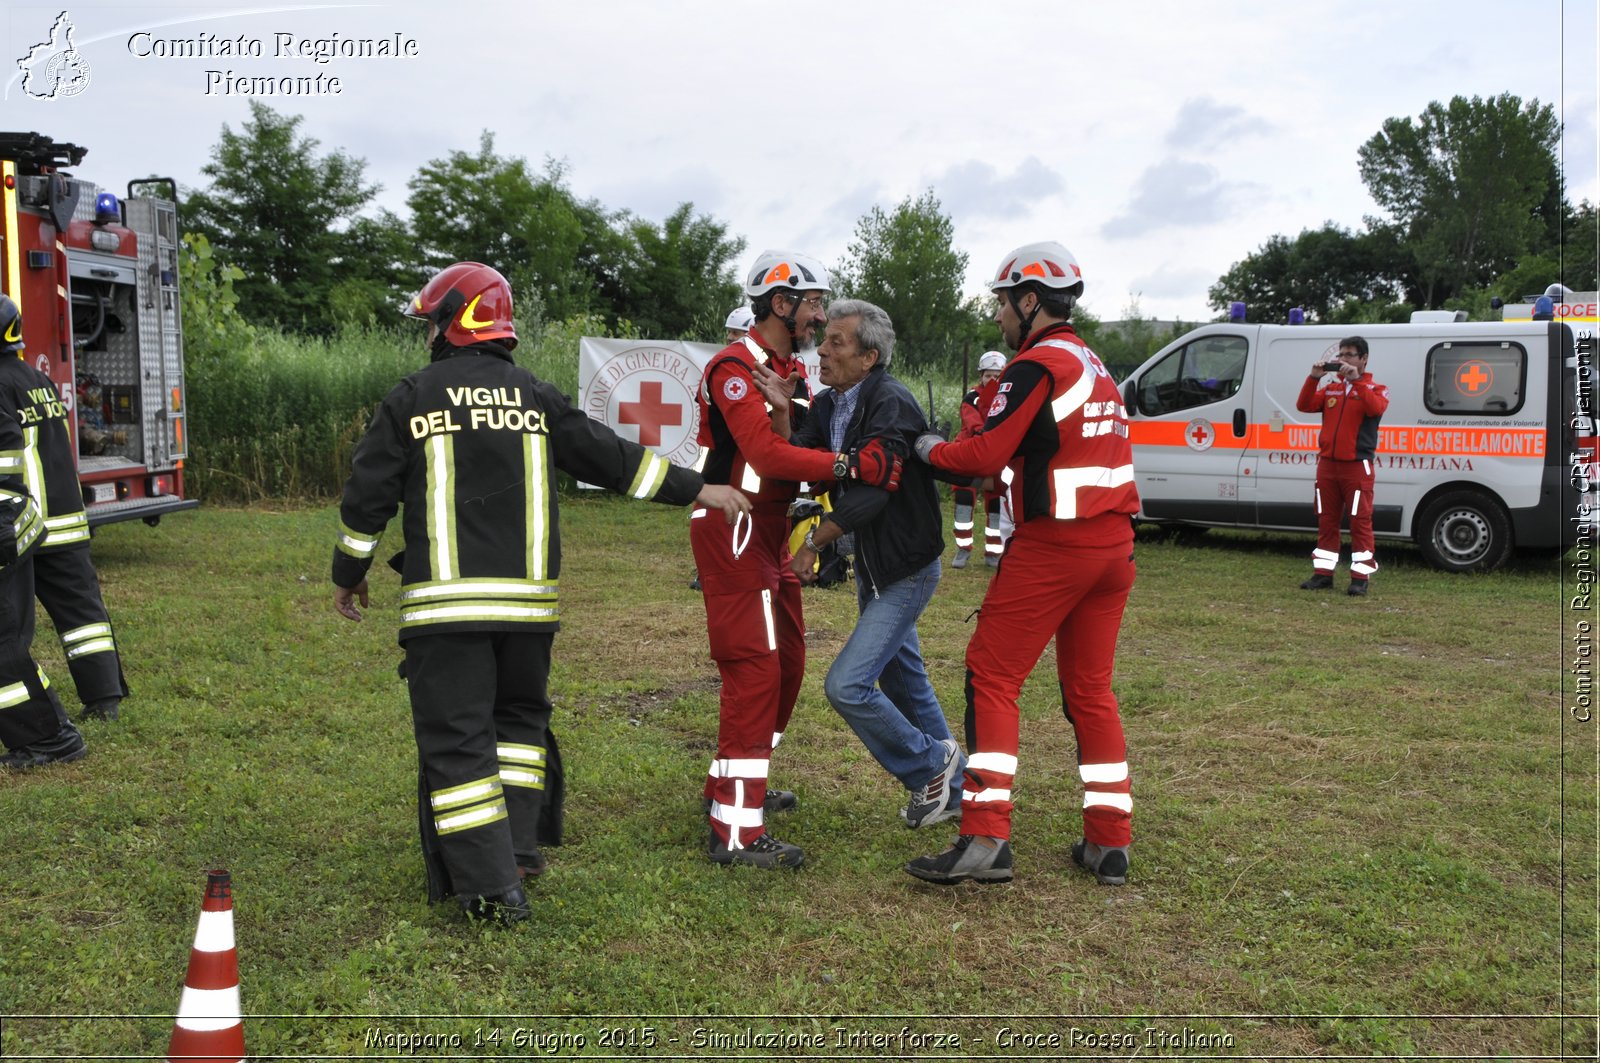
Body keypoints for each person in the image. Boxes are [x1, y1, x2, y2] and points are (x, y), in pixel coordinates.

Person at [331, 262, 750, 923]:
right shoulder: (534, 395)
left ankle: (492, 887)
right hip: (529, 612)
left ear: (453, 323)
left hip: (447, 610)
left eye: (433, 321)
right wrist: (699, 487)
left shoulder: (412, 396)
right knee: (518, 729)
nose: (429, 334)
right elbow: (616, 459)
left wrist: (347, 571)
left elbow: (367, 496)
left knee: (460, 738)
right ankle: (518, 849)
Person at [908, 240, 1139, 886]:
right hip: (1114, 546)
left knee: (992, 672)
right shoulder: (1093, 363)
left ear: (1030, 301)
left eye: (1004, 304)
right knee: (1091, 691)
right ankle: (1108, 841)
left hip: (1056, 546)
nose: (1000, 317)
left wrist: (926, 448)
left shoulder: (1035, 366)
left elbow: (982, 455)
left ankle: (984, 834)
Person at [691, 250, 890, 869]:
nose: (819, 315)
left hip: (771, 530)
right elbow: (769, 455)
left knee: (790, 662)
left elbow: (797, 436)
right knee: (754, 669)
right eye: (811, 303)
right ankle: (736, 829)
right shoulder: (733, 366)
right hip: (734, 528)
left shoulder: (785, 370)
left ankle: (733, 787)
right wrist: (851, 466)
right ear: (780, 304)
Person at [753, 299, 961, 832]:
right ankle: (959, 788)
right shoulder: (831, 401)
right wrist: (780, 410)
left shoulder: (890, 401)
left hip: (906, 568)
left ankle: (929, 766)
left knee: (846, 686)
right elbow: (799, 458)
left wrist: (813, 544)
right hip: (875, 567)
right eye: (825, 340)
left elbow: (872, 493)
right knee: (906, 681)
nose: (821, 349)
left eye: (837, 342)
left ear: (869, 357)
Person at [0, 296, 128, 722]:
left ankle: (35, 721)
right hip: (66, 517)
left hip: (24, 522)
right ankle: (104, 697)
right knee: (82, 614)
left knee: (11, 627)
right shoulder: (38, 379)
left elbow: (7, 463)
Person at [0, 315, 82, 769]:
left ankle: (51, 737)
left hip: (5, 532)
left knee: (4, 647)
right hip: (17, 528)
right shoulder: (28, 379)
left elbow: (7, 465)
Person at [1295, 336, 1389, 596]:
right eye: (1341, 355)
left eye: (1350, 355)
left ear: (1363, 359)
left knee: (1360, 522)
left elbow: (1376, 408)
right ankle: (1323, 574)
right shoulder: (1331, 389)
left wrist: (1357, 381)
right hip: (1327, 466)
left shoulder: (1376, 388)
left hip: (1357, 467)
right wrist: (1314, 377)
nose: (1343, 359)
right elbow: (1303, 405)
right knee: (1326, 520)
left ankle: (1360, 578)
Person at [951, 351, 1008, 569]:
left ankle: (993, 552)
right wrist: (985, 433)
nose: (992, 380)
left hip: (997, 455)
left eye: (997, 375)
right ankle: (963, 548)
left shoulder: (1007, 397)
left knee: (997, 505)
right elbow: (971, 420)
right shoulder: (972, 397)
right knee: (964, 500)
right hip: (971, 451)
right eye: (988, 376)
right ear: (981, 376)